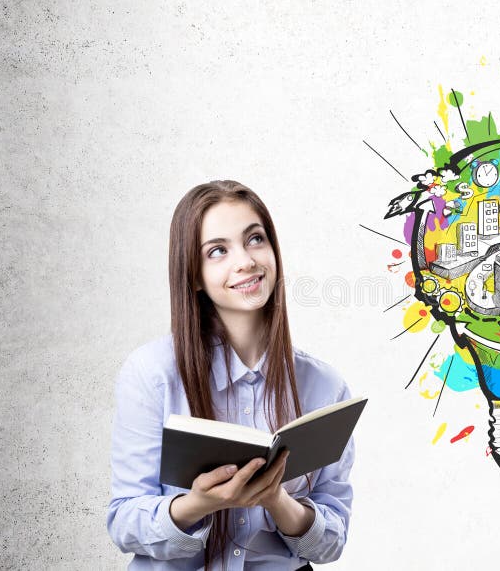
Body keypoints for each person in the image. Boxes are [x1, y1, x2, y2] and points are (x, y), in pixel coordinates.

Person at [107, 180, 354, 570]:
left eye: (255, 239)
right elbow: (124, 522)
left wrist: (276, 498)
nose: (245, 261)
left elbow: (329, 544)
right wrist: (200, 504)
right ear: (194, 275)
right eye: (218, 250)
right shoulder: (151, 374)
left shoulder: (325, 386)